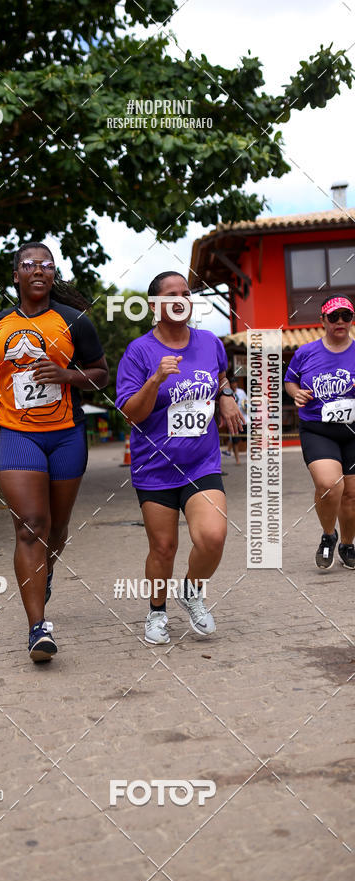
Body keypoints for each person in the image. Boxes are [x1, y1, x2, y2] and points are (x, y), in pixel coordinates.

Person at [0, 242, 108, 660]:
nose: (37, 270)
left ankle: (43, 572)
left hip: (66, 434)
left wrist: (66, 374)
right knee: (31, 525)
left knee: (56, 530)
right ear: (15, 275)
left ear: (53, 275)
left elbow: (102, 374)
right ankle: (37, 628)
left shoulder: (75, 322)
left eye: (46, 265)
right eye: (28, 264)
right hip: (17, 434)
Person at [115, 271, 244, 644]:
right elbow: (131, 414)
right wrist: (155, 380)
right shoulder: (139, 351)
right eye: (171, 294)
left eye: (186, 293)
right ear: (154, 305)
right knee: (164, 547)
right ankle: (156, 612)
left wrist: (226, 396)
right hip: (155, 466)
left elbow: (220, 376)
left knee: (213, 537)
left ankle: (191, 591)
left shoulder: (208, 342)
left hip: (201, 462)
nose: (180, 298)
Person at [284, 295, 355, 569]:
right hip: (318, 429)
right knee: (329, 485)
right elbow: (290, 381)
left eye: (346, 316)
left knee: (351, 493)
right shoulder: (306, 352)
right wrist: (296, 393)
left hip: (352, 431)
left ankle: (348, 543)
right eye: (334, 316)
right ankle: (329, 535)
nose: (340, 321)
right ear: (323, 320)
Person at [224, 375, 249, 464]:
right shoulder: (228, 393)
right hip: (234, 420)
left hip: (244, 418)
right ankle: (237, 460)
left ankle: (251, 456)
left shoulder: (241, 392)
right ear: (230, 384)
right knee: (235, 441)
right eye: (232, 383)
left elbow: (246, 402)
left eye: (235, 383)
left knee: (246, 438)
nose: (234, 384)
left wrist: (246, 407)